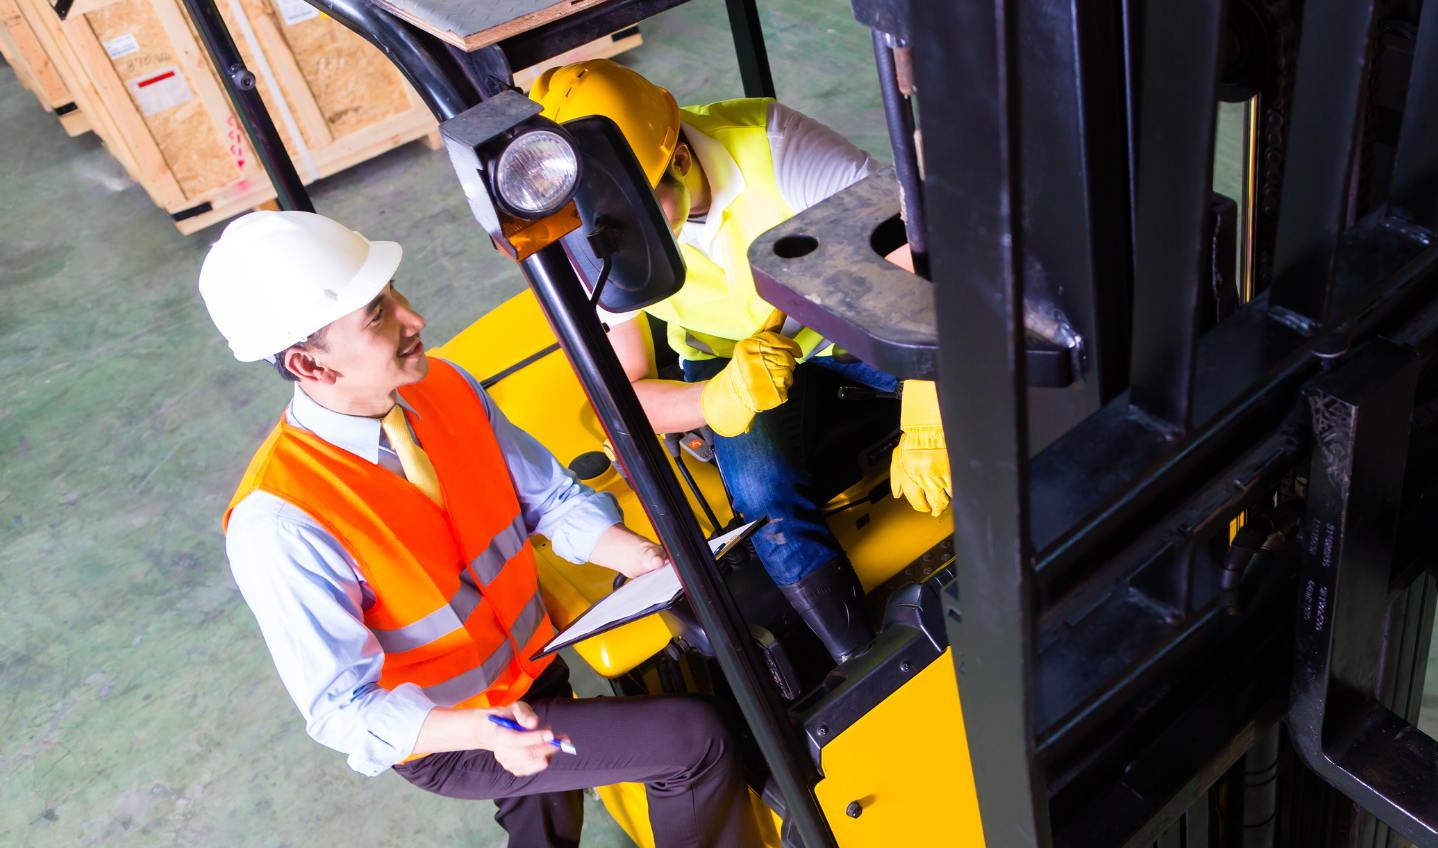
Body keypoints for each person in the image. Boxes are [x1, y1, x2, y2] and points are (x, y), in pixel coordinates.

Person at [205, 211, 766, 848]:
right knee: (693, 742)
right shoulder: (281, 522)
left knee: (545, 818)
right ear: (311, 366)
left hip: (532, 664)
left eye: (393, 295)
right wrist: (482, 731)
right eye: (378, 317)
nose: (413, 320)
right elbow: (342, 711)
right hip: (454, 733)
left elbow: (548, 498)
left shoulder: (445, 386)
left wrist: (637, 555)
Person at [529, 60, 951, 665]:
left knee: (995, 372)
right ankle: (862, 659)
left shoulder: (781, 153)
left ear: (676, 162)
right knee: (760, 491)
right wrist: (714, 399)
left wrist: (928, 395)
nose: (619, 245)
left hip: (853, 319)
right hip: (730, 364)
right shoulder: (598, 236)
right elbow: (619, 396)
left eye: (635, 219)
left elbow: (922, 254)